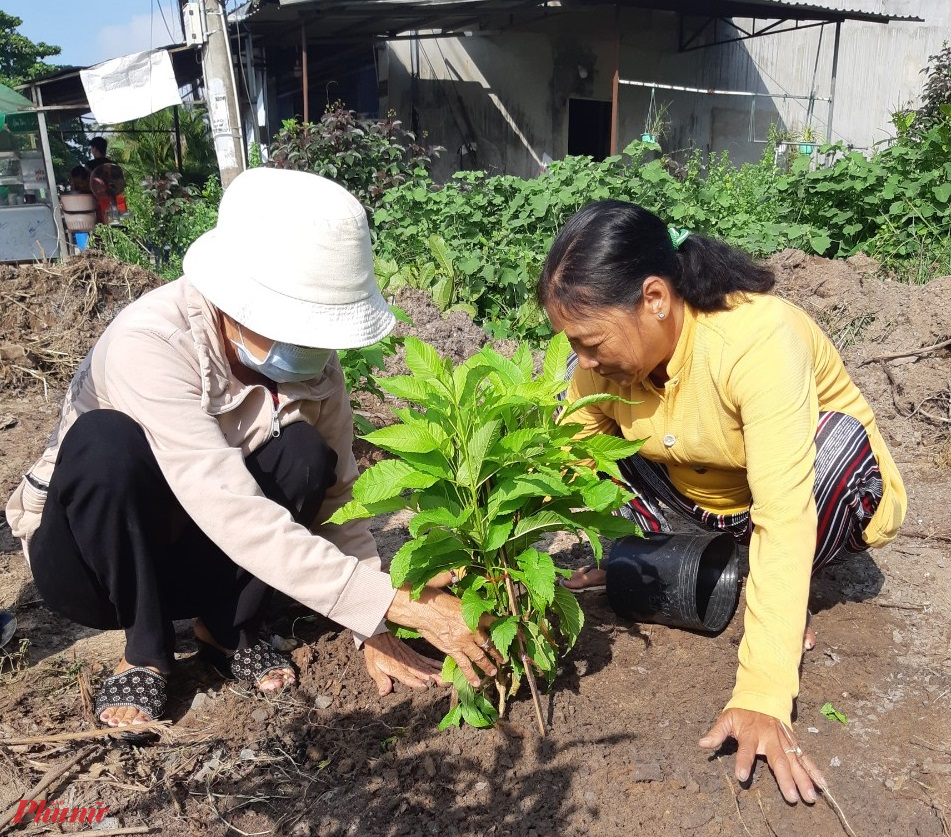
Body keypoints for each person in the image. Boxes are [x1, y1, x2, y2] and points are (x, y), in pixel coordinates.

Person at [5, 168, 500, 732]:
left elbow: (341, 497)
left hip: (197, 551)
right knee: (105, 446)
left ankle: (224, 625)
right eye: (298, 326)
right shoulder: (150, 343)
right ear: (234, 301)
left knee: (307, 453)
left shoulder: (315, 364)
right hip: (95, 565)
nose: (312, 347)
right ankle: (145, 649)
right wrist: (389, 600)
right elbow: (227, 504)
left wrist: (372, 625)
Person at [537, 200, 905, 804]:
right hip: (699, 497)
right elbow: (566, 465)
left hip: (814, 493)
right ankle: (724, 566)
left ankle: (776, 593)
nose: (584, 360)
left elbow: (785, 513)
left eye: (591, 341)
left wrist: (764, 691)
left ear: (655, 298)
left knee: (835, 446)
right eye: (574, 345)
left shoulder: (755, 337)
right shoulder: (599, 369)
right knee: (599, 442)